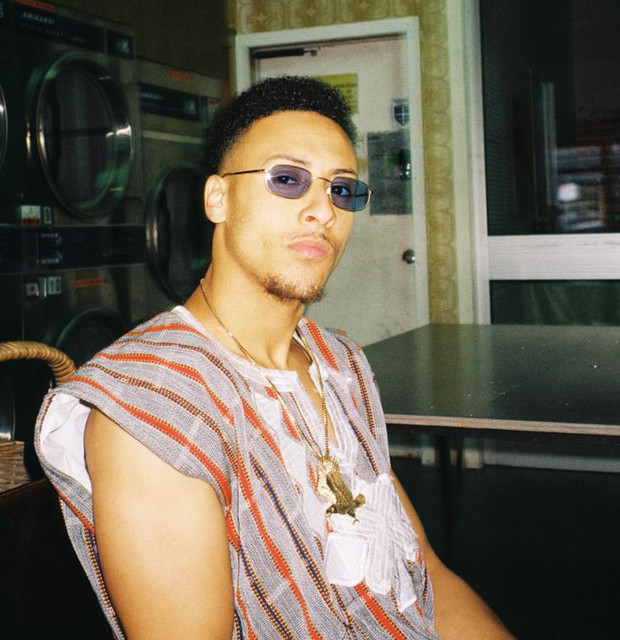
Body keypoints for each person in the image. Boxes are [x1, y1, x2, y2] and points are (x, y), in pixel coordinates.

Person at [36, 76, 513, 639]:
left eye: (342, 189)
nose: (323, 210)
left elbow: (425, 576)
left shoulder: (339, 362)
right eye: (287, 179)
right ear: (218, 198)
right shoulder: (155, 409)